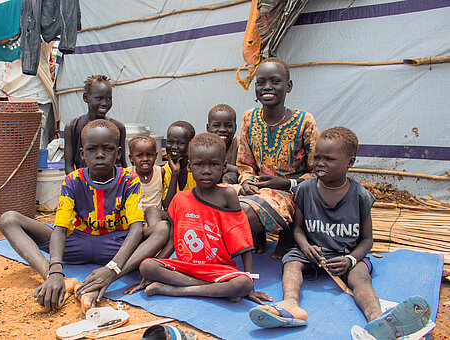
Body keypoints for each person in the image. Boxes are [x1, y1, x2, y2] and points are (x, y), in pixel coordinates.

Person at [249, 127, 431, 339]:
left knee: (361, 277)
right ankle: (291, 304)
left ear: (350, 162)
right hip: (313, 253)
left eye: (329, 159)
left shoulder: (360, 196)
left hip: (346, 254)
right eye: (317, 157)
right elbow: (297, 228)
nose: (320, 163)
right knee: (291, 263)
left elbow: (366, 240)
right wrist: (306, 247)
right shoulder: (305, 189)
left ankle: (376, 318)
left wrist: (351, 260)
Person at [0, 119, 169, 312]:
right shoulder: (73, 180)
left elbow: (136, 229)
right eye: (91, 149)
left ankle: (110, 278)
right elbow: (60, 230)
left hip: (116, 245)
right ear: (82, 154)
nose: (100, 155)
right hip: (75, 243)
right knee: (9, 219)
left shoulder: (128, 180)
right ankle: (55, 279)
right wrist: (55, 268)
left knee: (163, 228)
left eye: (108, 149)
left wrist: (112, 268)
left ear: (119, 153)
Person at [127, 133, 271, 304]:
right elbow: (172, 242)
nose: (207, 171)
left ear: (224, 167)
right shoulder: (180, 199)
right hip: (185, 267)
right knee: (147, 266)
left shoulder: (227, 196)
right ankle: (213, 289)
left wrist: (250, 284)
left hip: (217, 268)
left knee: (243, 283)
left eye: (214, 165)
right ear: (189, 167)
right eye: (199, 165)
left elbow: (242, 240)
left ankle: (174, 290)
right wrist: (156, 266)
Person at [237, 57, 319, 255]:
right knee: (213, 200)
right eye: (261, 82)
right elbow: (244, 164)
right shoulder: (249, 118)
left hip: (291, 193)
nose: (267, 87)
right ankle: (256, 235)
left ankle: (287, 233)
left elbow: (318, 171)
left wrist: (287, 184)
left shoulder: (305, 121)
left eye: (275, 82)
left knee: (244, 213)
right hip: (256, 189)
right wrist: (248, 182)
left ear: (288, 86)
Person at [64, 74, 127, 174]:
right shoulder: (73, 127)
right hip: (83, 184)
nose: (104, 103)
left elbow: (122, 164)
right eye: (99, 98)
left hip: (112, 184)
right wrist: (79, 185)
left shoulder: (118, 128)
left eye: (109, 99)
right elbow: (69, 167)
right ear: (85, 97)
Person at [206, 104, 240, 184]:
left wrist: (226, 167)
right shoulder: (204, 146)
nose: (222, 130)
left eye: (228, 126)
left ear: (235, 128)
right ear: (208, 128)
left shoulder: (239, 144)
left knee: (230, 176)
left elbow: (247, 170)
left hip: (234, 188)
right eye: (216, 125)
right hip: (209, 186)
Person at [128, 134, 163, 210]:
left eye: (149, 155)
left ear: (156, 156)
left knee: (152, 212)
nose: (145, 159)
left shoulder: (160, 172)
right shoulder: (128, 174)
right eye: (140, 156)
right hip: (135, 217)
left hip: (155, 217)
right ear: (131, 158)